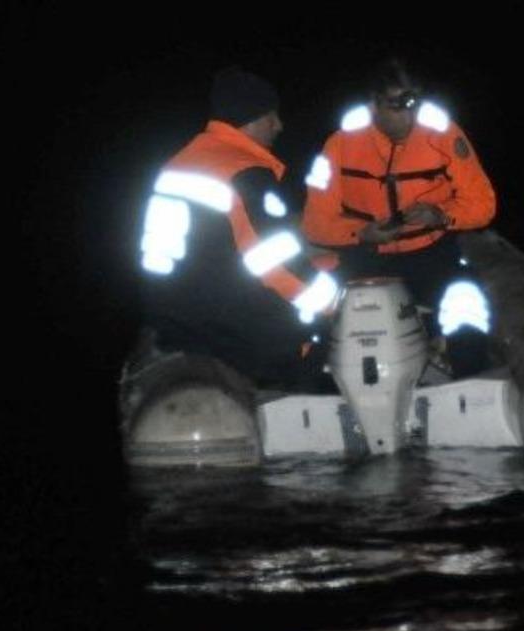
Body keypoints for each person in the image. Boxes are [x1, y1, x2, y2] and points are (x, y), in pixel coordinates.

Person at [135, 65, 338, 388]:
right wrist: (335, 302)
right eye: (272, 116)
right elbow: (274, 263)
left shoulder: (181, 161)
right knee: (316, 339)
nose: (279, 126)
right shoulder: (243, 172)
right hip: (224, 333)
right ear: (252, 119)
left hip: (169, 319)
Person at [302, 59, 497, 376]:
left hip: (431, 253)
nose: (410, 116)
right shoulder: (337, 146)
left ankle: (469, 383)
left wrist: (441, 216)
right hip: (365, 257)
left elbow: (483, 205)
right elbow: (314, 224)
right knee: (318, 313)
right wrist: (361, 234)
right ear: (373, 104)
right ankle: (317, 387)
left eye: (415, 104)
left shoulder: (444, 135)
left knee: (466, 299)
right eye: (398, 106)